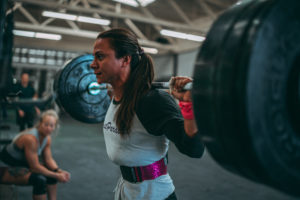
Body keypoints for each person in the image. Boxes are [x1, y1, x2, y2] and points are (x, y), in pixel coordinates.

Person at [90, 28, 205, 200]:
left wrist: (188, 104)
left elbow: (194, 148)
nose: (92, 64)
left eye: (100, 56)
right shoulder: (118, 96)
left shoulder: (152, 101)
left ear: (125, 60)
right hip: (127, 192)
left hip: (154, 195)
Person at [0, 109, 70, 200]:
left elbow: (48, 159)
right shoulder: (31, 139)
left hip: (19, 164)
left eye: (51, 126)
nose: (48, 128)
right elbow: (35, 167)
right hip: (4, 168)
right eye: (46, 125)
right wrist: (56, 175)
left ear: (55, 127)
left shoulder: (47, 138)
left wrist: (58, 171)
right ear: (40, 123)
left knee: (52, 176)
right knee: (39, 180)